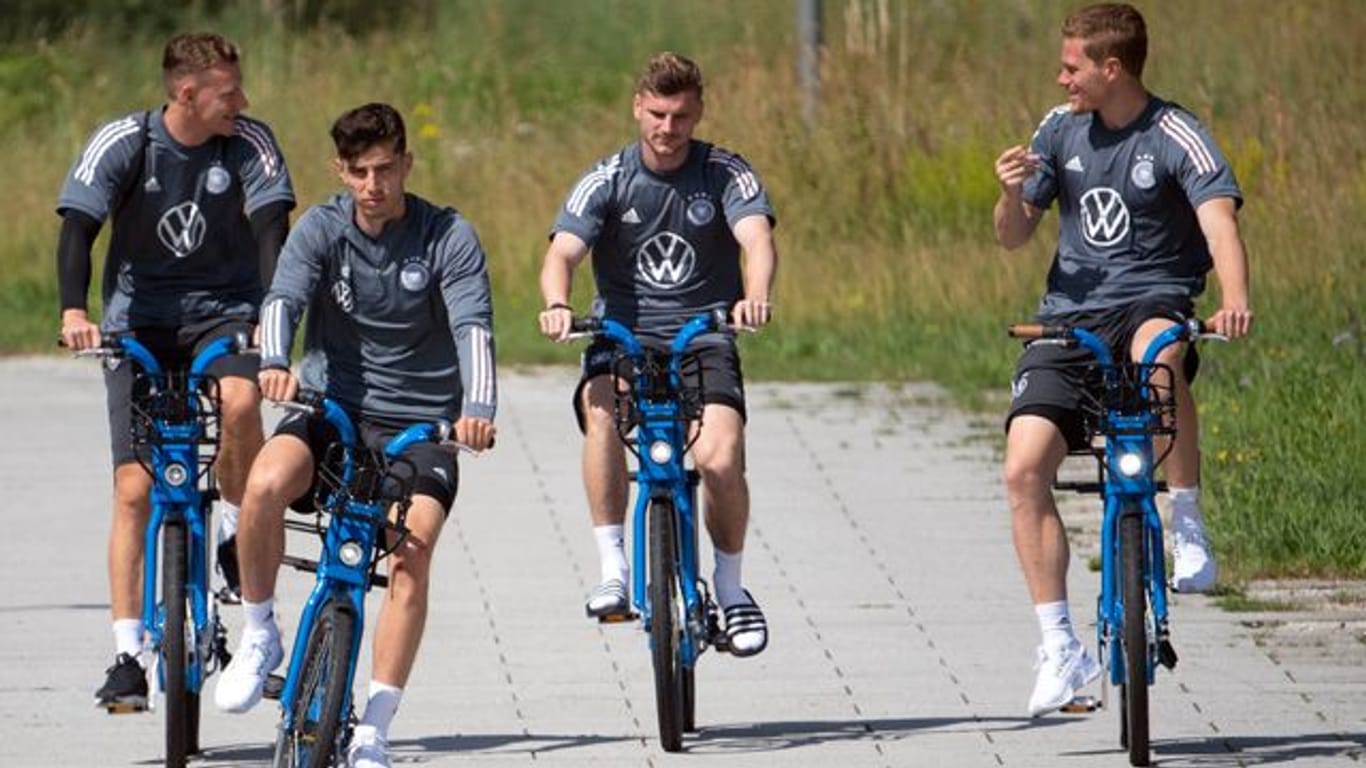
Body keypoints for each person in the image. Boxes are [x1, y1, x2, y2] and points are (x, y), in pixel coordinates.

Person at [212, 102, 497, 768]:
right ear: (341, 170)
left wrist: (477, 408)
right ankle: (258, 634)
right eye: (361, 172)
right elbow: (283, 298)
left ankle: (375, 722)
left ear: (406, 163)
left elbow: (473, 327)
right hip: (334, 409)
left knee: (411, 551)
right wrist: (276, 363)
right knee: (262, 483)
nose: (375, 185)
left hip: (422, 425)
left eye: (386, 169)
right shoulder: (320, 229)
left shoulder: (447, 235)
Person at [992, 2, 1253, 716]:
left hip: (1153, 301)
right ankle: (1060, 648)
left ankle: (1187, 521)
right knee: (1022, 467)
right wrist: (1011, 191)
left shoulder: (1175, 134)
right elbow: (1013, 237)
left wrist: (1234, 298)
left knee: (1159, 352)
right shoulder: (1058, 129)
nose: (1061, 76)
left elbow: (1218, 221)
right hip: (1069, 320)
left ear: (1113, 69)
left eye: (1072, 65)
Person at [56, 31, 295, 711]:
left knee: (243, 401)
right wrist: (76, 310)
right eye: (228, 93)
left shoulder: (248, 141)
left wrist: (269, 322)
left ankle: (233, 530)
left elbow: (273, 227)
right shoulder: (124, 143)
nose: (241, 102)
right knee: (134, 489)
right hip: (141, 324)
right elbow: (77, 226)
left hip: (224, 313)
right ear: (186, 94)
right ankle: (128, 653)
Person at [537, 52, 778, 657]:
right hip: (623, 336)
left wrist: (756, 296)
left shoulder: (725, 172)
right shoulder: (608, 178)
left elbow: (757, 239)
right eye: (657, 114)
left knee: (720, 459)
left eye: (681, 116)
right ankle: (613, 566)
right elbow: (562, 252)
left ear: (698, 114)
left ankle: (731, 589)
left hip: (704, 335)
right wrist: (558, 304)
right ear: (636, 108)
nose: (668, 129)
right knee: (601, 414)